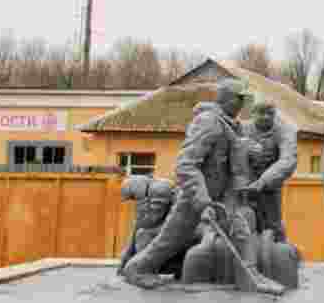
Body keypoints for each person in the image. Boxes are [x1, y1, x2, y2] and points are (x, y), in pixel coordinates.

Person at [121, 78, 251, 288]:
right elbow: (186, 164)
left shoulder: (231, 126)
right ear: (227, 98)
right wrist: (203, 201)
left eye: (244, 99)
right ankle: (137, 268)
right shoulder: (209, 121)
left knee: (240, 229)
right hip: (196, 196)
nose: (243, 103)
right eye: (239, 98)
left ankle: (251, 278)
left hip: (218, 198)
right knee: (171, 239)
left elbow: (228, 165)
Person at [240, 99, 298, 242]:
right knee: (243, 222)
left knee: (273, 225)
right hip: (244, 185)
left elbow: (288, 159)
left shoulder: (285, 130)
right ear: (253, 114)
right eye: (261, 113)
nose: (266, 116)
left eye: (270, 113)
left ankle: (279, 254)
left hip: (270, 185)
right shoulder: (242, 129)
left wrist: (263, 181)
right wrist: (244, 148)